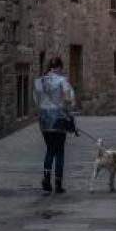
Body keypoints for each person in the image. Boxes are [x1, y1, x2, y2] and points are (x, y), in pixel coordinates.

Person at [34, 56, 76, 193]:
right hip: (58, 118)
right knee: (59, 151)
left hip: (44, 120)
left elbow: (36, 101)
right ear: (58, 67)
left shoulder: (39, 82)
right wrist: (69, 108)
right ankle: (58, 183)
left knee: (50, 149)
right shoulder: (62, 80)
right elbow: (67, 99)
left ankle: (46, 178)